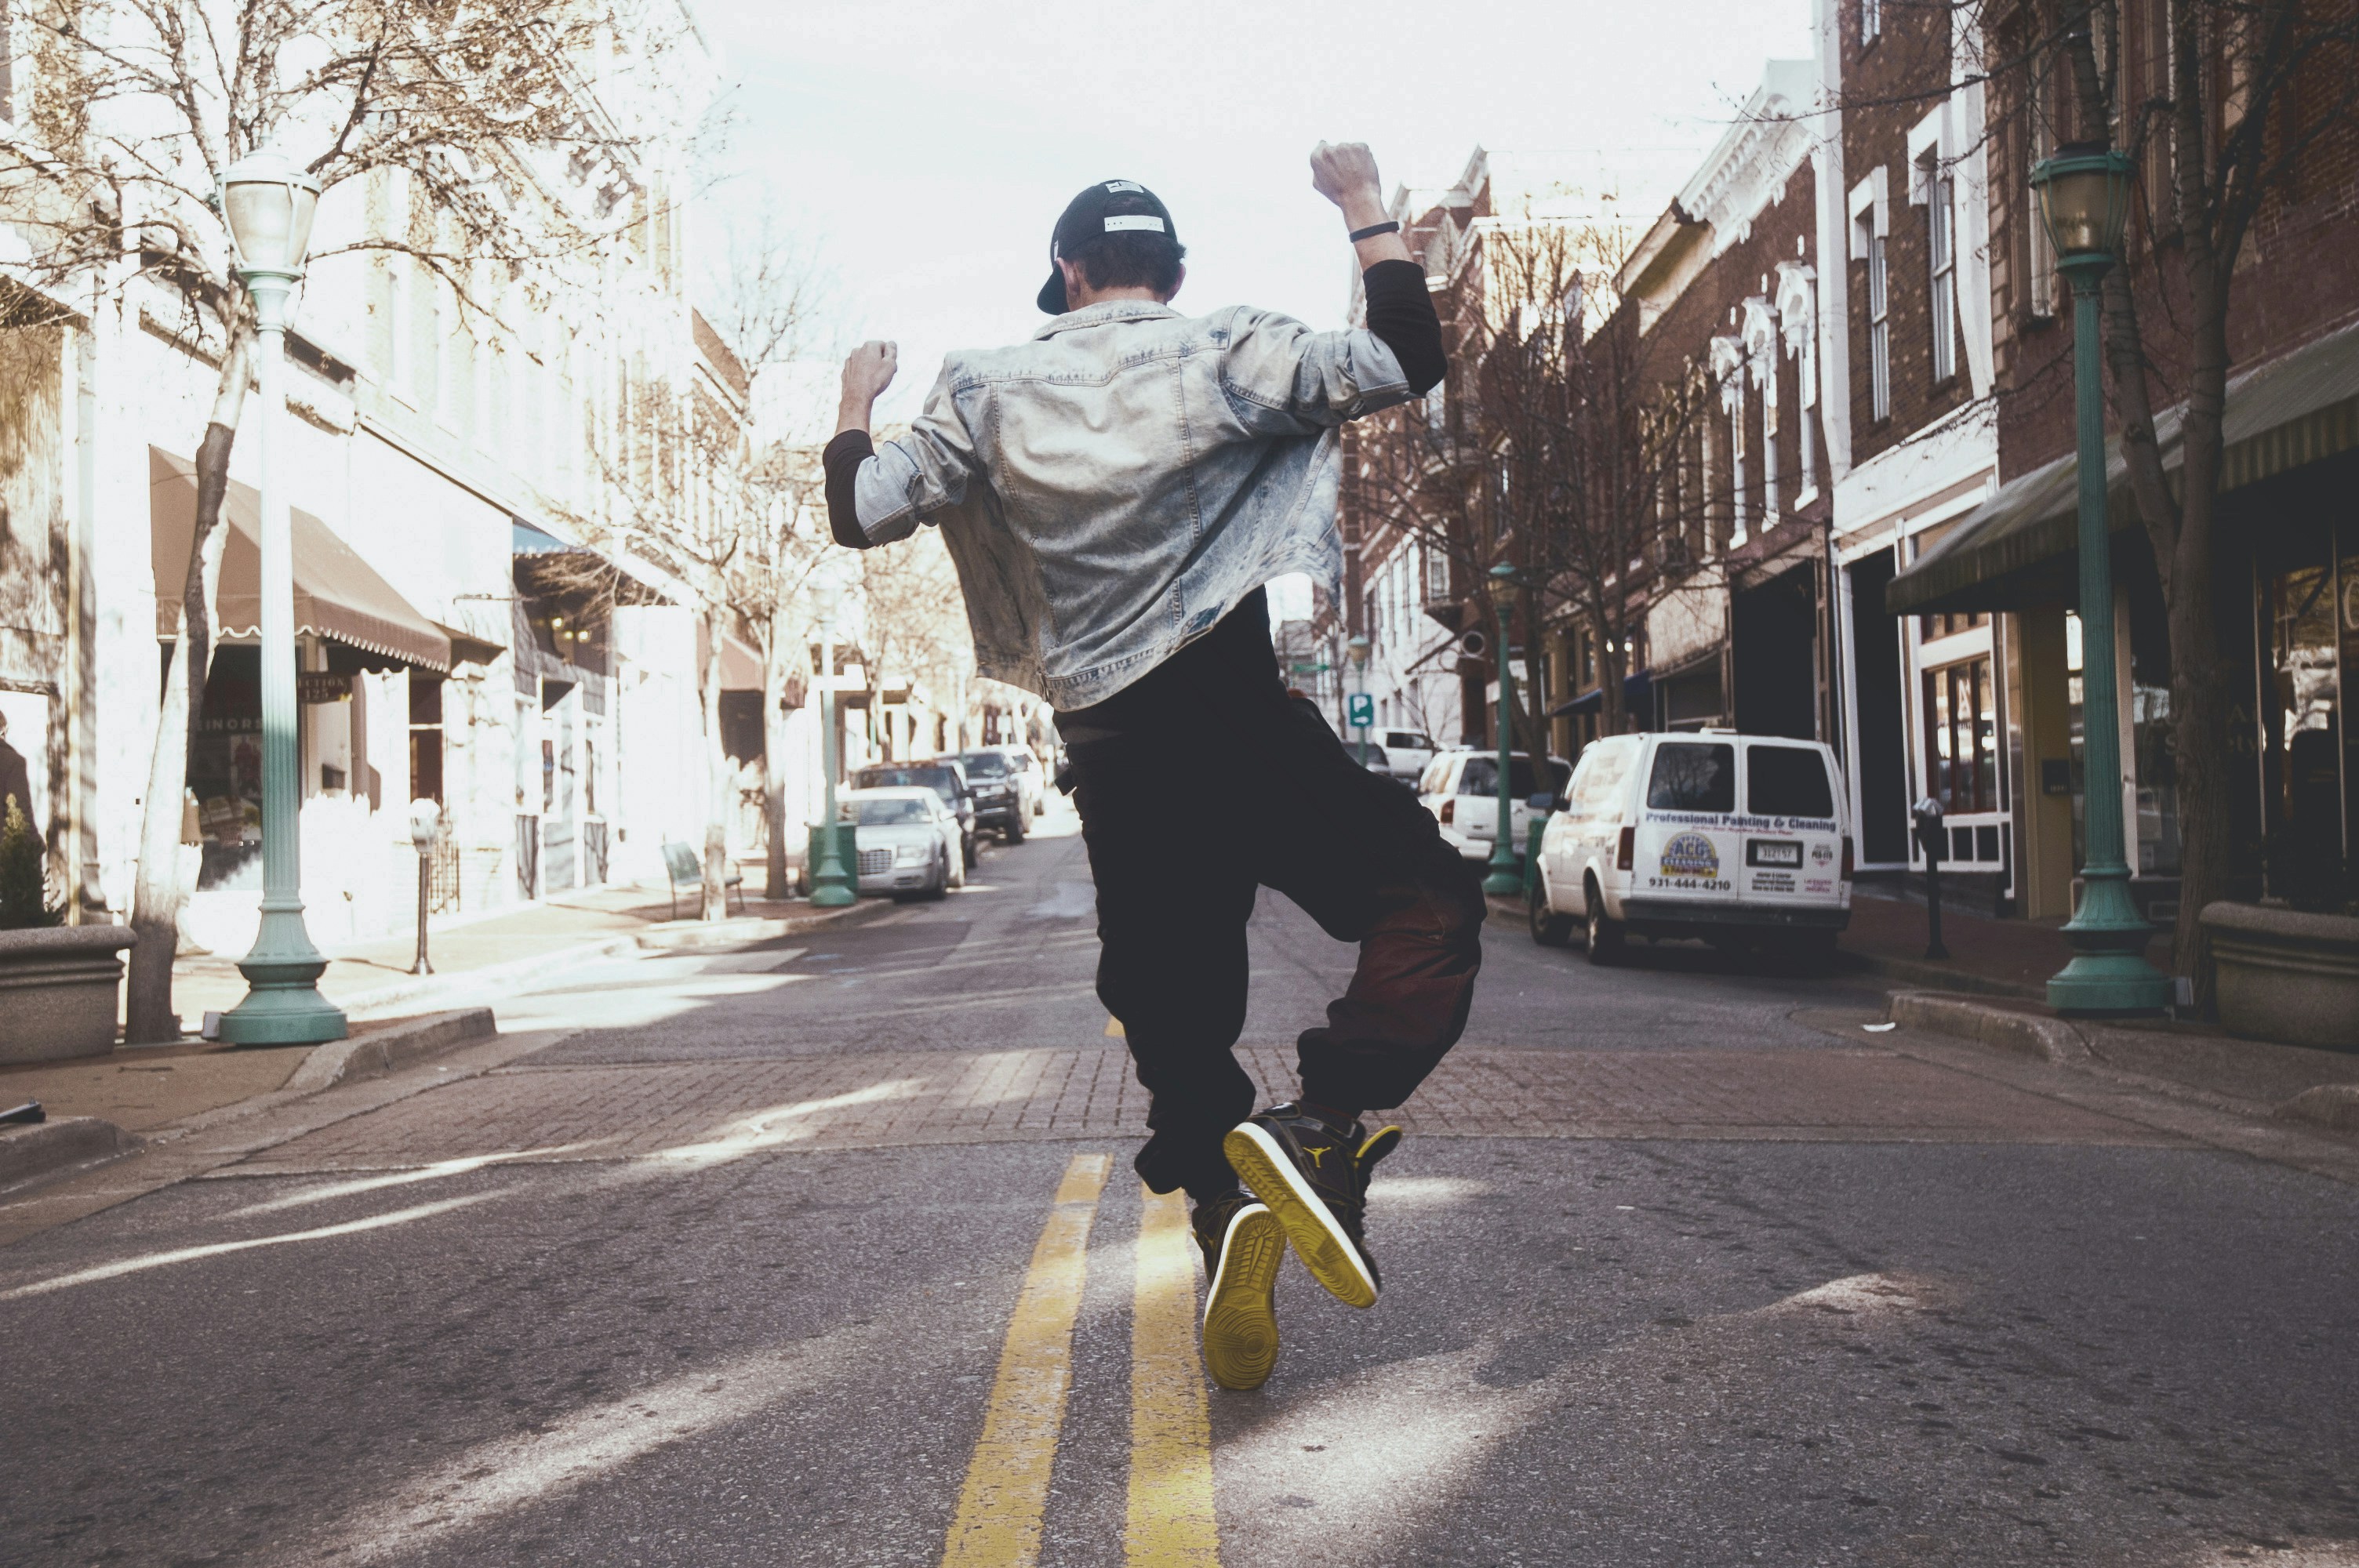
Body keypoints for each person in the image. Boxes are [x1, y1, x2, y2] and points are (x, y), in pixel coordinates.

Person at [823, 143, 1484, 1391]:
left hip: (1118, 763)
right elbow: (1406, 356)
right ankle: (1323, 1121)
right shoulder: (1228, 348)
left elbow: (861, 512)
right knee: (1429, 902)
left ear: (1067, 275)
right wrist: (1362, 209)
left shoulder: (985, 388)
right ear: (1169, 274)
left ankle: (1229, 1209)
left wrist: (858, 399)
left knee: (1179, 1033)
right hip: (1241, 722)